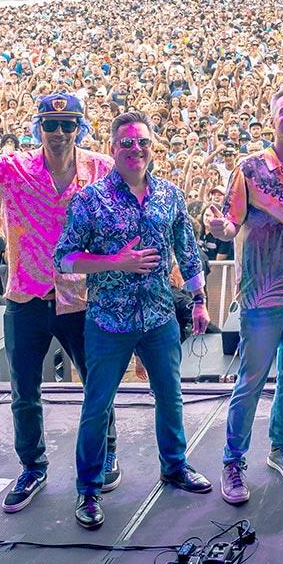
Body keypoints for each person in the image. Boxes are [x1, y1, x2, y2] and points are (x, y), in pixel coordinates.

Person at [0, 94, 120, 514]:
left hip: (82, 296)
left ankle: (105, 453)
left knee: (98, 384)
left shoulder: (101, 168)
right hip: (26, 295)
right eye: (50, 124)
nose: (59, 133)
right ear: (38, 127)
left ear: (80, 127)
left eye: (68, 124)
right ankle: (32, 467)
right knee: (24, 390)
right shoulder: (12, 167)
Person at [56, 111, 212, 531]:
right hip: (108, 321)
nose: (135, 149)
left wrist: (199, 299)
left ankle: (175, 466)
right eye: (126, 142)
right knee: (97, 405)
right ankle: (88, 490)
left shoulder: (170, 196)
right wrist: (115, 261)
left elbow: (188, 250)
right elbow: (65, 258)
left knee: (170, 396)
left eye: (142, 141)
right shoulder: (90, 200)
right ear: (112, 149)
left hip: (160, 315)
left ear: (152, 146)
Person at [209, 88, 283, 505]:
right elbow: (231, 221)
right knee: (252, 379)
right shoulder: (250, 169)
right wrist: (221, 230)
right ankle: (233, 461)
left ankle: (280, 448)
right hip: (262, 295)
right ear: (273, 118)